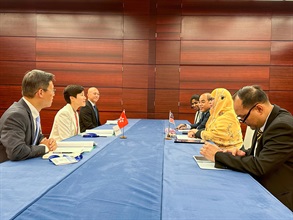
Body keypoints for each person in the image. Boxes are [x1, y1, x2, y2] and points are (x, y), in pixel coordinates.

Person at [200, 85, 293, 211]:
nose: (242, 121)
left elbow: (260, 166)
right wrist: (241, 153)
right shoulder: (266, 119)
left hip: (280, 198)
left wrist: (218, 156)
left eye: (243, 117)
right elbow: (263, 151)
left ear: (259, 109)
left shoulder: (281, 126)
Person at [0, 69, 57, 163]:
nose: (54, 94)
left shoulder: (30, 111)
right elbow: (16, 151)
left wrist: (45, 141)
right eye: (52, 90)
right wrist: (44, 148)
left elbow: (33, 136)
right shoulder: (16, 115)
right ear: (41, 92)